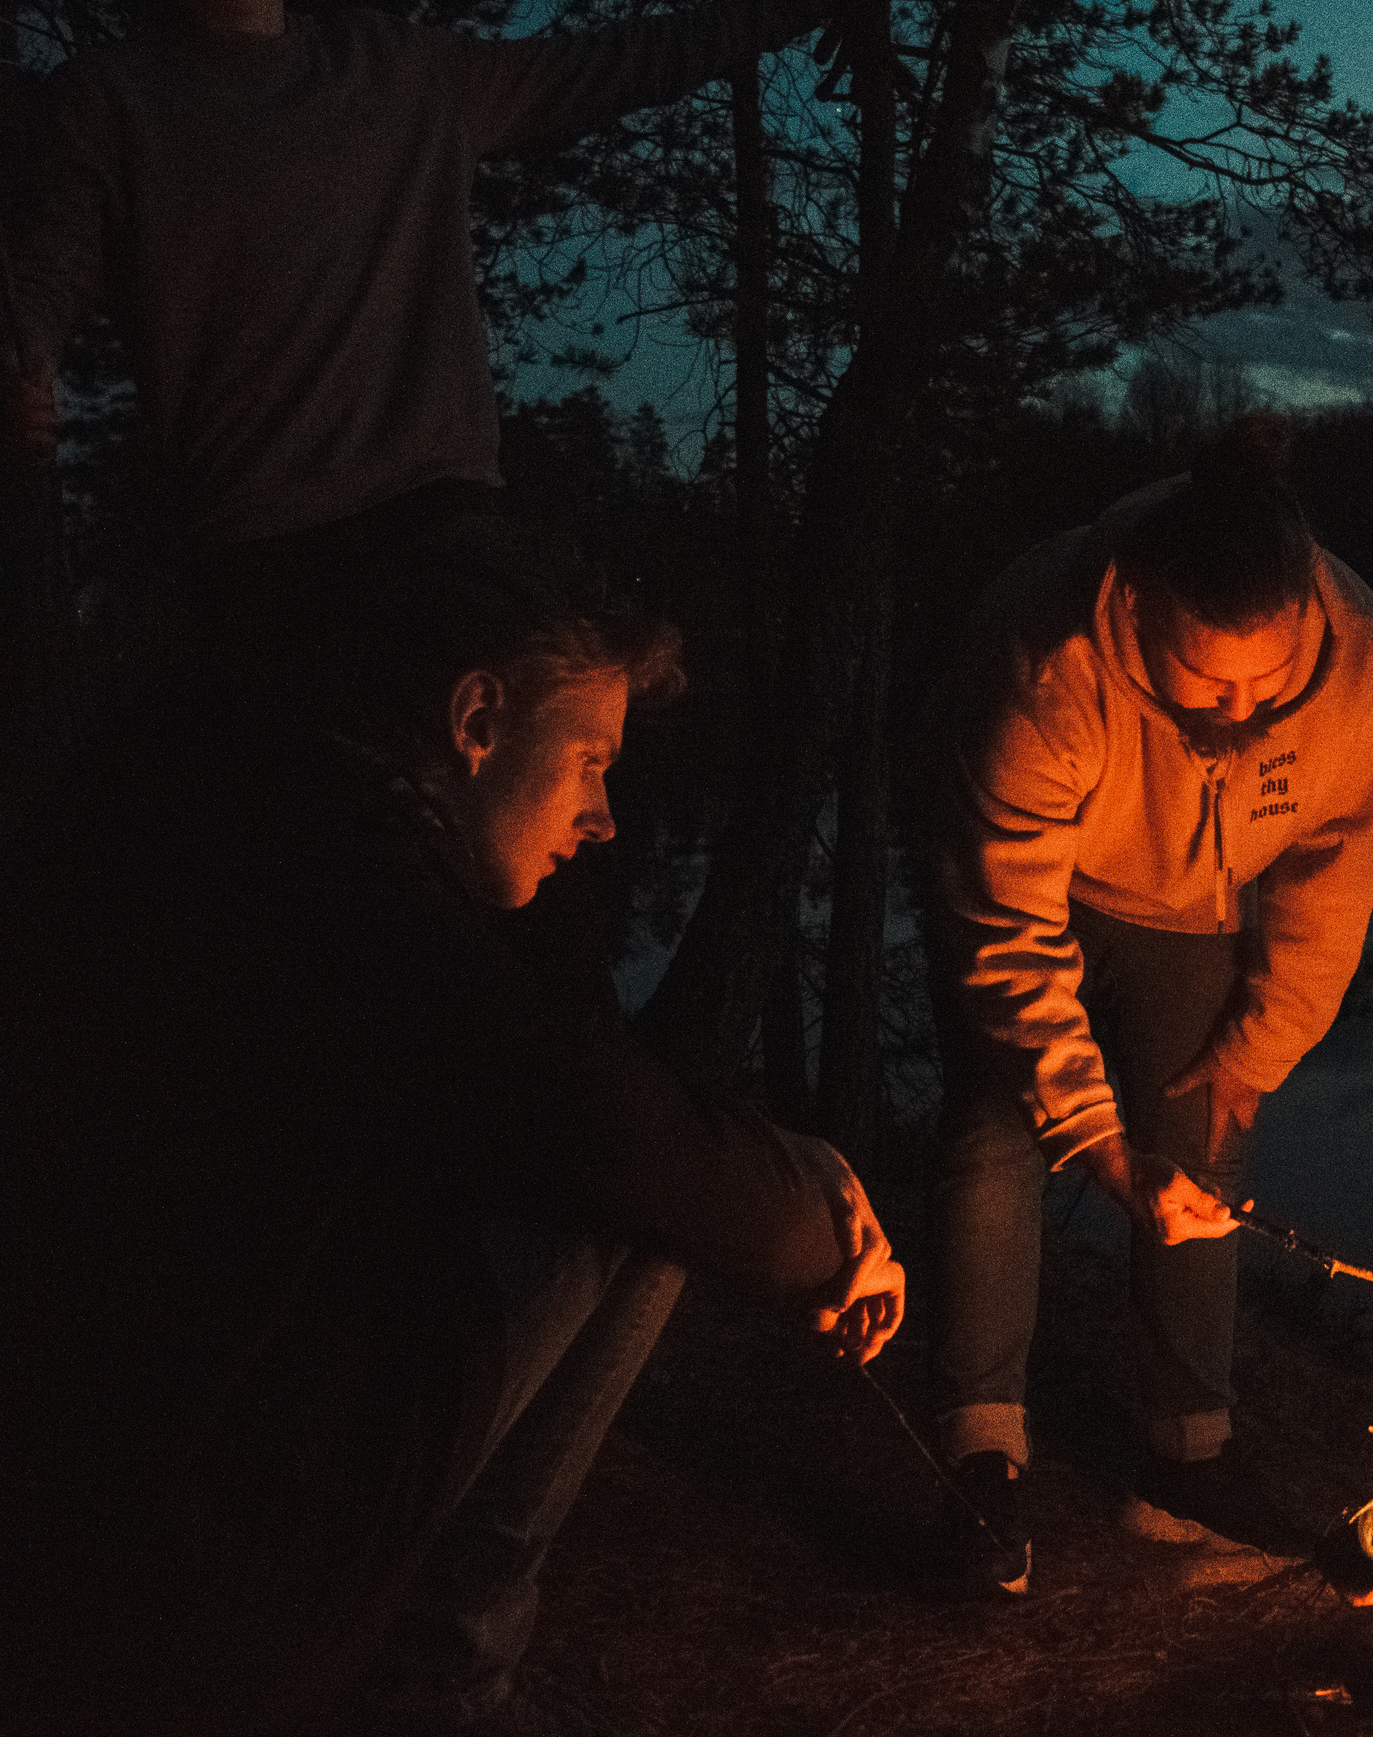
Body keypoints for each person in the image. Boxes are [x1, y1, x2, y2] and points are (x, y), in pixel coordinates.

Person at [0, 545, 907, 1736]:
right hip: (178, 1572)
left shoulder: (257, 802)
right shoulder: (352, 894)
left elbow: (569, 1076)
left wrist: (797, 1173)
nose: (602, 818)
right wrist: (822, 1218)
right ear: (477, 717)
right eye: (588, 761)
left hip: (115, 1473)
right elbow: (604, 1128)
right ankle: (441, 1681)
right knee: (638, 1196)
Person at [1, 0, 885, 557]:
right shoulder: (110, 98)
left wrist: (796, 3)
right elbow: (53, 266)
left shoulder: (400, 74)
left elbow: (617, 61)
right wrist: (25, 360)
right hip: (244, 532)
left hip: (435, 513)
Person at [921, 415, 1373, 1594]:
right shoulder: (1052, 660)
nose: (1240, 707)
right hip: (1034, 877)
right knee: (1001, 1128)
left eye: (1265, 678)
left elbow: (1332, 869)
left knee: (1205, 1136)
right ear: (1142, 608)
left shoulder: (1359, 668)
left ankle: (1188, 1452)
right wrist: (1096, 1140)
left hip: (1193, 898)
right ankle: (982, 1454)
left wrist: (1265, 1040)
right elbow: (1011, 937)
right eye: (1207, 677)